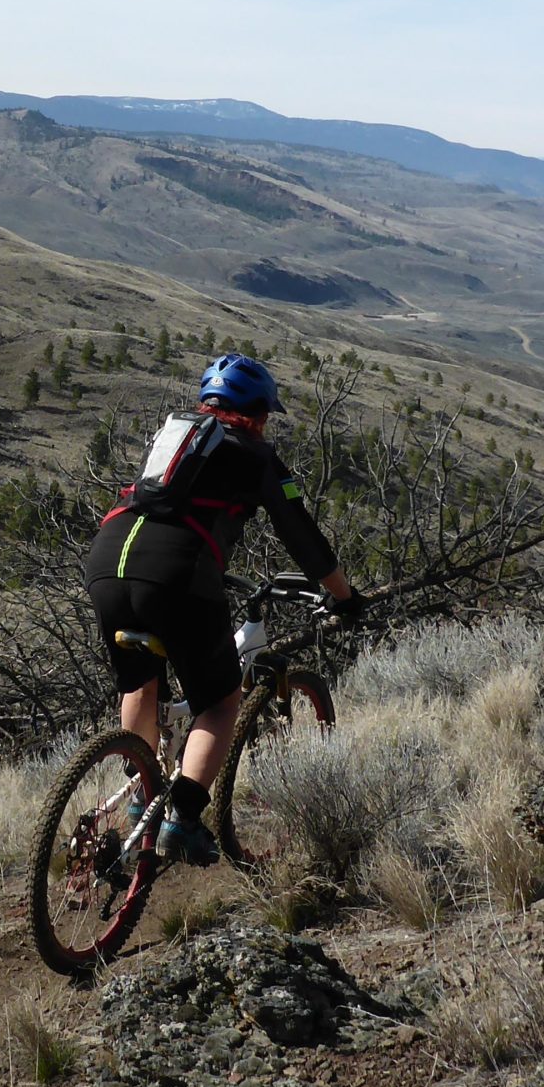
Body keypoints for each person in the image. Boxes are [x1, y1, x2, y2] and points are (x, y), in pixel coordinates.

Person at [81, 353, 362, 865]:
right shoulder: (255, 455)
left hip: (107, 557)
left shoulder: (177, 438)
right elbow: (303, 537)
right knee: (220, 702)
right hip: (175, 569)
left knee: (139, 682)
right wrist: (345, 598)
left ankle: (142, 789)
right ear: (255, 412)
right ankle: (182, 821)